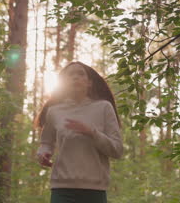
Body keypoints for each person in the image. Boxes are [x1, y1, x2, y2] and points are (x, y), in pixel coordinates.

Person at [35, 61, 123, 203]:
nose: (75, 77)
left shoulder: (104, 108)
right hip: (61, 188)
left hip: (94, 190)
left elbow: (117, 150)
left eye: (81, 74)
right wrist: (43, 153)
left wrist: (92, 133)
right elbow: (46, 143)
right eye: (70, 74)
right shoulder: (54, 112)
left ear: (89, 83)